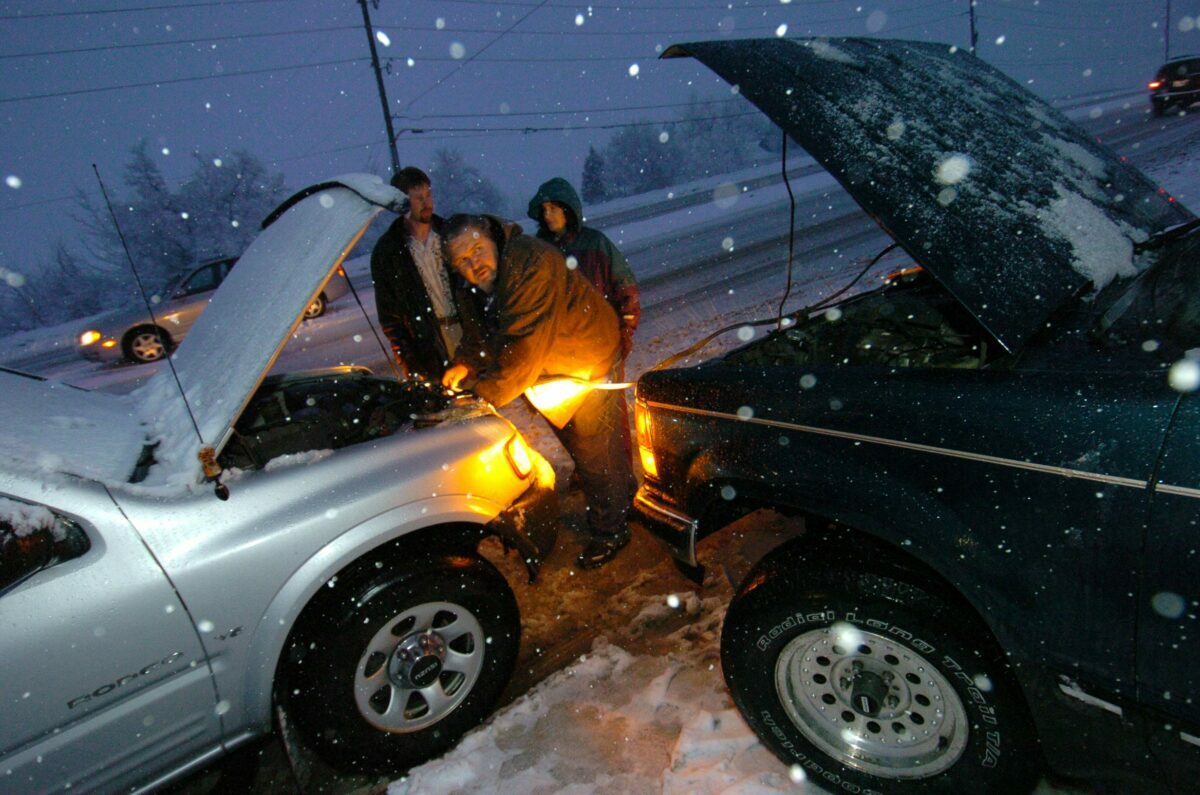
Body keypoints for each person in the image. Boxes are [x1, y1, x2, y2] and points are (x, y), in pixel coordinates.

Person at [440, 214, 636, 570]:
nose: (474, 264)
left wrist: (482, 397)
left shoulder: (530, 262)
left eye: (478, 250)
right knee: (583, 445)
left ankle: (612, 531)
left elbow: (522, 346)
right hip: (551, 372)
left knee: (593, 448)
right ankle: (622, 492)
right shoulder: (472, 286)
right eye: (463, 261)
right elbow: (478, 334)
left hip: (584, 356)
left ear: (493, 240)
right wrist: (464, 363)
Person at [371, 167, 477, 379]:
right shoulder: (389, 253)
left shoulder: (451, 235)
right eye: (418, 198)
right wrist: (411, 364)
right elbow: (391, 320)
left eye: (428, 194)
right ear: (401, 203)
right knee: (449, 405)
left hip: (470, 333)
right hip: (428, 345)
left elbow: (479, 286)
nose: (427, 202)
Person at [527, 177, 641, 373]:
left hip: (602, 345)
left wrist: (624, 333)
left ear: (567, 210)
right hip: (558, 354)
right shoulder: (539, 251)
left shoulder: (595, 243)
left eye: (553, 209)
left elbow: (625, 288)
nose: (547, 215)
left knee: (608, 401)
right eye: (544, 210)